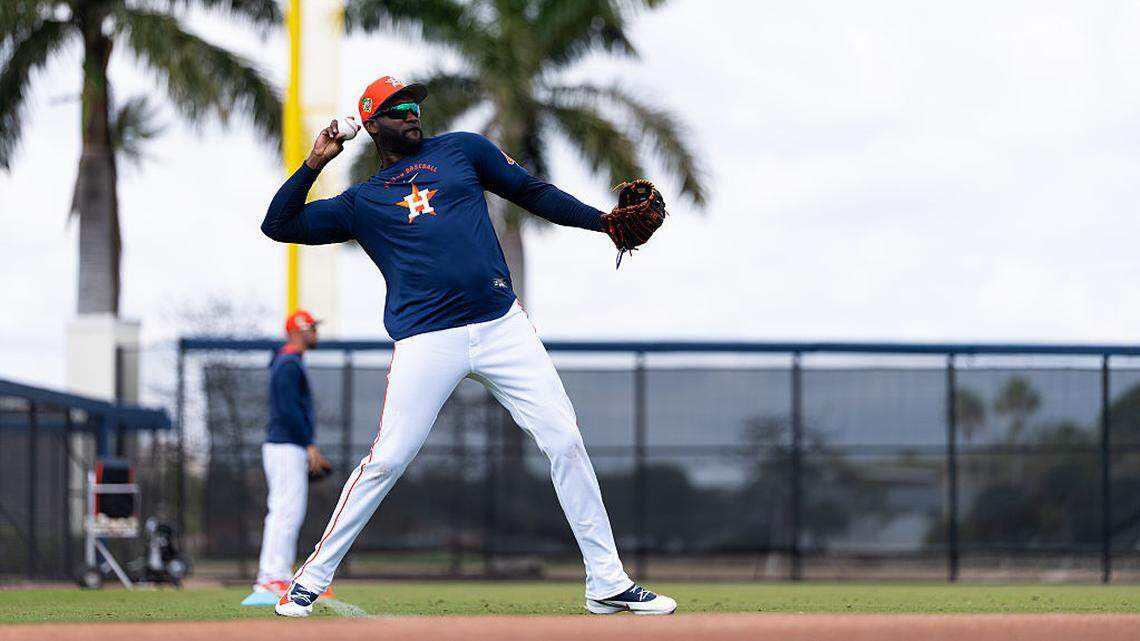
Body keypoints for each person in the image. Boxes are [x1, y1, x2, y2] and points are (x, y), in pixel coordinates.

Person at [261, 75, 676, 617]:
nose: (412, 114)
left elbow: (532, 193)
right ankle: (308, 580)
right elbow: (279, 224)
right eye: (397, 109)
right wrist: (317, 159)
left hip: (502, 326)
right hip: (427, 340)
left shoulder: (462, 150)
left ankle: (607, 581)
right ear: (371, 124)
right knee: (387, 460)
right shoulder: (360, 201)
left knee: (565, 440)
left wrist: (601, 222)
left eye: (414, 106)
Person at [253, 309, 332, 595]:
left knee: (288, 510)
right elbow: (287, 411)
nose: (315, 333)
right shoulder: (288, 363)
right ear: (298, 331)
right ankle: (271, 575)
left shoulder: (288, 361)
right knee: (285, 511)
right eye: (311, 328)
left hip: (288, 444)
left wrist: (308, 444)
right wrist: (307, 443)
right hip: (286, 444)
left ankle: (277, 573)